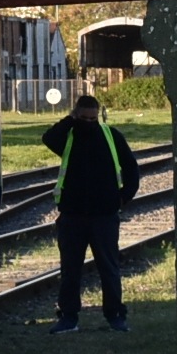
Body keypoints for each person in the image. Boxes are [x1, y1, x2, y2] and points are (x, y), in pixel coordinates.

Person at [40, 93, 140, 333]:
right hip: (72, 215)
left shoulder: (111, 136)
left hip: (104, 215)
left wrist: (122, 198)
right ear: (76, 115)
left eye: (92, 118)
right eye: (83, 118)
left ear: (99, 116)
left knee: (109, 267)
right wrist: (69, 121)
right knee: (70, 270)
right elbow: (48, 138)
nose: (88, 123)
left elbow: (131, 169)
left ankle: (115, 315)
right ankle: (68, 317)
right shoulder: (68, 137)